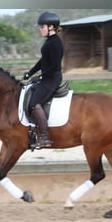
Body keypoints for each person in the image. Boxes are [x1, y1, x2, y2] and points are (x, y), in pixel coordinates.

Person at [23, 11, 64, 149]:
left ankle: (45, 138)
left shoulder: (56, 43)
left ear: (51, 26)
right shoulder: (49, 42)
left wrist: (41, 76)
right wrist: (30, 73)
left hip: (52, 79)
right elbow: (43, 61)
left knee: (34, 103)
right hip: (47, 77)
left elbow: (55, 66)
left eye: (42, 26)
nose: (40, 29)